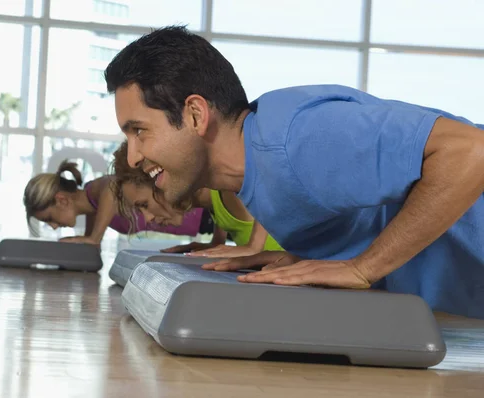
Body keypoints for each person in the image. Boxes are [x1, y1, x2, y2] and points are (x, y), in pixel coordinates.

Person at [103, 26, 484, 319]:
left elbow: (469, 151)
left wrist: (363, 266)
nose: (133, 157)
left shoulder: (298, 135)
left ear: (196, 115)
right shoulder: (256, 171)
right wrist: (327, 256)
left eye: (139, 131)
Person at [111, 141, 284, 258]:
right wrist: (215, 244)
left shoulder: (226, 185)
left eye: (144, 205)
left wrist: (254, 246)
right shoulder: (211, 198)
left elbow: (269, 173)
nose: (147, 218)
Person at [22, 159, 214, 246]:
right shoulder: (92, 210)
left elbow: (112, 186)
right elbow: (91, 252)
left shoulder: (95, 190)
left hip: (204, 209)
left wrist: (94, 238)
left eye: (49, 218)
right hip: (204, 224)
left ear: (61, 200)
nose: (54, 227)